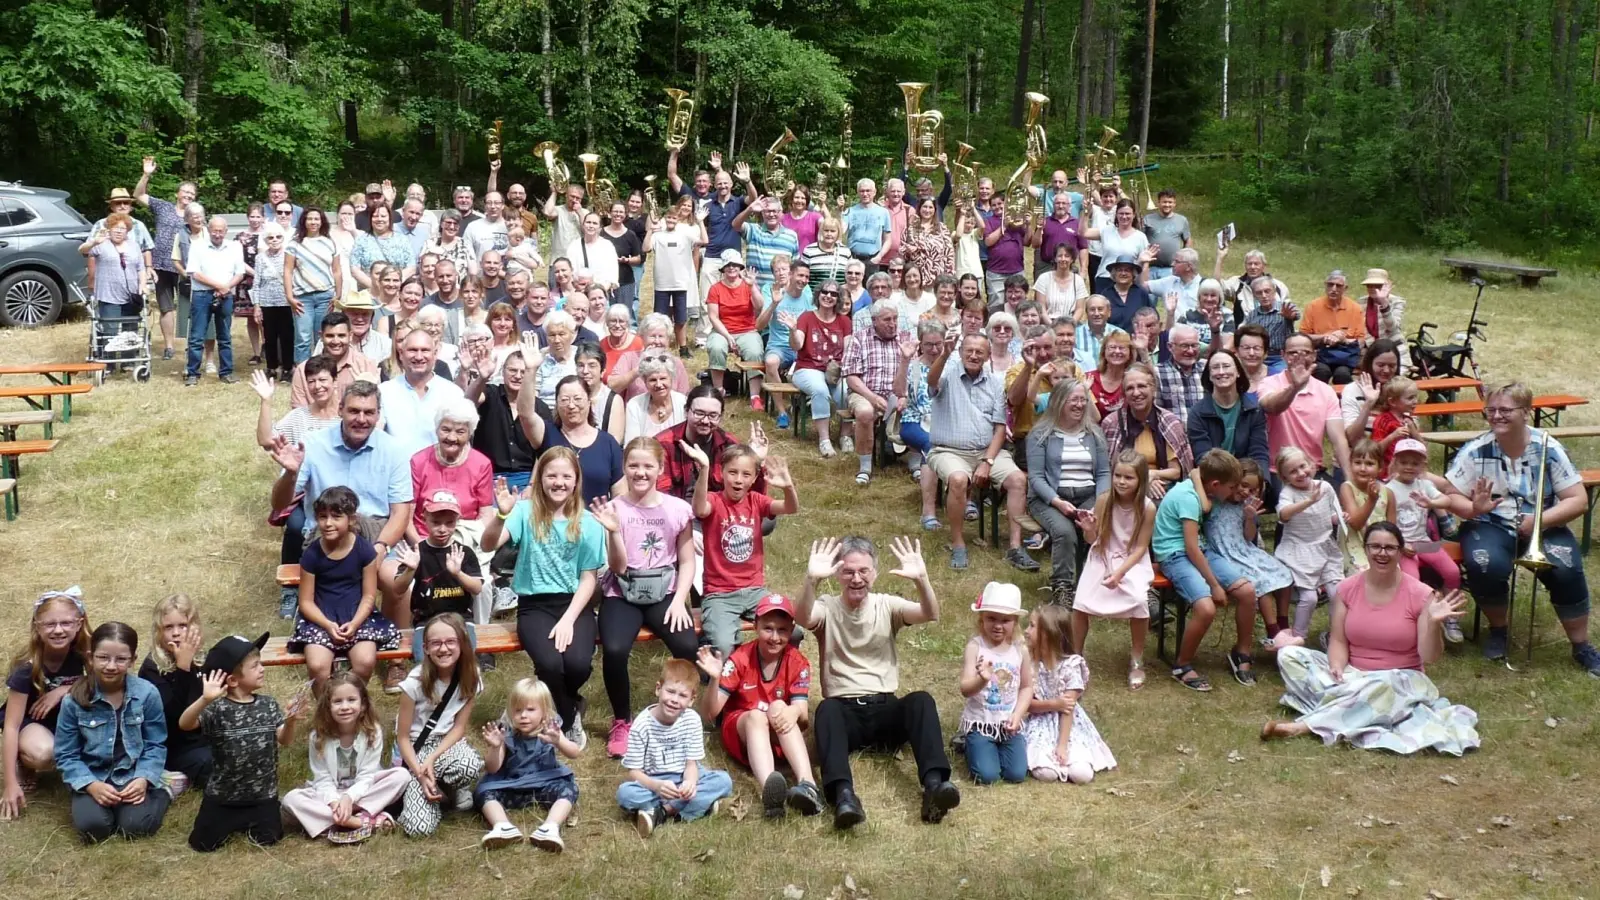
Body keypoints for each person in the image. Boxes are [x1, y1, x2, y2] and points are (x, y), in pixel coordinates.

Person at [1261, 523, 1479, 755]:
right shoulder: (1347, 588)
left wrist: (1434, 623)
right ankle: (1356, 706)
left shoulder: (1421, 594)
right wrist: (1336, 667)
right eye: (1375, 546)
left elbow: (1430, 656)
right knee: (1289, 655)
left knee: (1384, 685)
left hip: (1401, 679)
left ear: (1400, 551)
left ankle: (1304, 726)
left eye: (1389, 548)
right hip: (1354, 675)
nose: (1381, 553)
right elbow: (1338, 640)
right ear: (1365, 549)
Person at [795, 536, 959, 830]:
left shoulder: (887, 605)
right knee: (826, 710)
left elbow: (930, 613)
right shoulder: (827, 606)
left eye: (864, 571)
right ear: (837, 573)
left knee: (921, 700)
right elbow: (803, 617)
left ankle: (934, 787)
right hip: (845, 716)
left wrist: (921, 579)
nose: (856, 579)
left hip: (885, 709)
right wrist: (810, 580)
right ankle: (844, 796)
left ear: (875, 572)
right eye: (848, 571)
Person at [482, 450, 606, 745]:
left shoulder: (588, 522)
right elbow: (488, 545)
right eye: (551, 475)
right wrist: (501, 515)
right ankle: (568, 713)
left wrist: (567, 620)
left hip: (574, 603)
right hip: (534, 605)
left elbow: (589, 578)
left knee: (577, 664)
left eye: (566, 476)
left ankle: (546, 707)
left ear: (576, 481)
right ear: (540, 479)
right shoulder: (524, 511)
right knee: (550, 664)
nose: (559, 482)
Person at [591, 437, 699, 758]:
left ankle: (675, 711)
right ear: (624, 468)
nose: (640, 472)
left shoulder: (678, 509)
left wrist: (680, 599)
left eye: (648, 466)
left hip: (663, 592)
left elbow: (687, 560)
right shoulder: (614, 509)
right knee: (613, 648)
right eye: (633, 465)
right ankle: (622, 720)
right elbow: (618, 566)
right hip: (622, 592)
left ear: (660, 469)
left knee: (687, 645)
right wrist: (612, 530)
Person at [268, 380, 414, 595]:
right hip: (327, 532)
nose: (361, 419)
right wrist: (290, 474)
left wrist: (381, 547)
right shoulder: (312, 444)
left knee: (400, 585)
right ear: (340, 410)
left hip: (376, 531)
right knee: (335, 589)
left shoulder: (394, 450)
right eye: (354, 411)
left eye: (368, 412)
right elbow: (279, 504)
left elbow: (400, 513)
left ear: (378, 415)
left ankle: (394, 629)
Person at [693, 593, 823, 818]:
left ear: (791, 631)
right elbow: (709, 714)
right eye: (768, 628)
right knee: (756, 716)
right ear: (755, 626)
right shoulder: (740, 659)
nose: (774, 637)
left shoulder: (797, 661)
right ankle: (770, 792)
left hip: (777, 732)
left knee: (778, 707)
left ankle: (808, 785)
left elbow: (802, 718)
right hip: (744, 729)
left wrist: (793, 710)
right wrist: (715, 679)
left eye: (782, 630)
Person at [179, 633, 307, 851]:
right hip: (222, 798)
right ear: (232, 680)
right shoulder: (216, 709)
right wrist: (205, 699)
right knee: (202, 844)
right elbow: (185, 724)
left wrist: (291, 721)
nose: (263, 668)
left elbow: (284, 740)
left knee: (269, 840)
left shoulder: (268, 704)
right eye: (255, 665)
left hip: (262, 797)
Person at [927, 332, 1037, 571]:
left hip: (988, 451)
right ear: (960, 352)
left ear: (988, 356)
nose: (974, 356)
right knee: (957, 480)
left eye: (980, 352)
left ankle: (1015, 548)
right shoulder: (947, 372)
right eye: (969, 351)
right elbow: (931, 381)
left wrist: (988, 461)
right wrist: (944, 353)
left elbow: (1000, 427)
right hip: (949, 451)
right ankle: (958, 544)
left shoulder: (996, 382)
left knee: (1018, 479)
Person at [53, 622, 170, 843]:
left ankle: (164, 790)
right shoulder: (73, 701)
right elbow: (66, 754)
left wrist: (143, 778)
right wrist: (91, 785)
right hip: (93, 775)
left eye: (121, 659)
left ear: (133, 660)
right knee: (93, 829)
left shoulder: (147, 694)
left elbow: (156, 743)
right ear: (90, 657)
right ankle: (93, 803)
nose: (111, 666)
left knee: (135, 828)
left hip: (132, 774)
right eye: (103, 657)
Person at [1154, 449, 1260, 691]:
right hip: (1175, 554)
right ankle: (1182, 665)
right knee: (1206, 608)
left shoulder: (1201, 489)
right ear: (1214, 484)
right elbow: (1190, 549)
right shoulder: (1188, 498)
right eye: (1232, 488)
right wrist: (1213, 584)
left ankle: (1241, 653)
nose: (1234, 493)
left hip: (1199, 550)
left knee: (1247, 592)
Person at [687, 442, 799, 656]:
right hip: (719, 594)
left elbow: (790, 508)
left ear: (755, 477)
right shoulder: (714, 500)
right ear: (721, 473)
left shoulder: (756, 501)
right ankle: (724, 680)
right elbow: (699, 508)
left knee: (793, 632)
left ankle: (774, 675)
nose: (738, 480)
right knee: (724, 645)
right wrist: (704, 469)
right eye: (733, 472)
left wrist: (787, 486)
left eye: (746, 474)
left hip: (754, 591)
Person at [293, 486, 400, 692]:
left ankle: (351, 704)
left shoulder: (364, 551)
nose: (328, 523)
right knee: (317, 665)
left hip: (357, 617)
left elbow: (369, 595)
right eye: (322, 517)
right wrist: (327, 624)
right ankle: (326, 714)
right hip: (320, 620)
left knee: (365, 661)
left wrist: (355, 623)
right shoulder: (312, 555)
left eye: (336, 516)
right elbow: (305, 601)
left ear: (351, 519)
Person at [280, 672, 407, 842]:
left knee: (401, 775)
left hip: (362, 793)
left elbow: (367, 775)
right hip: (331, 796)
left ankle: (336, 822)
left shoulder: (372, 731)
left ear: (362, 704)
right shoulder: (318, 737)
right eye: (337, 701)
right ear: (328, 707)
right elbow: (322, 777)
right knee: (292, 799)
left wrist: (349, 798)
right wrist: (334, 802)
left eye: (351, 700)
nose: (345, 707)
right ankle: (358, 822)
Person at [617, 659, 734, 837]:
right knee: (625, 794)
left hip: (683, 776)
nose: (674, 700)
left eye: (682, 695)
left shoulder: (692, 720)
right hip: (654, 780)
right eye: (670, 691)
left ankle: (662, 812)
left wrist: (690, 783)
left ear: (691, 700)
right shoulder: (642, 724)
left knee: (724, 780)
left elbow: (691, 765)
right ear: (658, 689)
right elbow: (634, 772)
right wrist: (656, 786)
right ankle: (699, 806)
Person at [3, 589, 90, 821]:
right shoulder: (27, 667)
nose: (59, 630)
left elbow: (106, 679)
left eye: (66, 623)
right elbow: (11, 726)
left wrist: (64, 689)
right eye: (50, 624)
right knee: (46, 753)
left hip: (70, 719)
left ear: (79, 623)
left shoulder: (86, 653)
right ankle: (26, 762)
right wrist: (9, 783)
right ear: (37, 626)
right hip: (32, 722)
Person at [394, 614, 485, 836]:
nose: (443, 649)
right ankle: (434, 795)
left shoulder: (471, 678)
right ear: (425, 648)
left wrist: (432, 759)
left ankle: (449, 788)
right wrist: (420, 771)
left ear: (462, 644)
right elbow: (402, 737)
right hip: (415, 749)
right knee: (419, 829)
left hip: (445, 744)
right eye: (436, 643)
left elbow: (458, 728)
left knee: (470, 764)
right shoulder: (414, 683)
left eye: (450, 642)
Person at [1072, 451, 1157, 685]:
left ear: (1141, 480)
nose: (1121, 481)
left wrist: (1120, 573)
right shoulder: (1103, 500)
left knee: (1139, 602)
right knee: (1080, 604)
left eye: (1128, 478)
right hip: (1102, 555)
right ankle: (1076, 658)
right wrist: (1088, 529)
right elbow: (1093, 540)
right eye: (1117, 475)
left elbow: (1141, 547)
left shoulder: (1147, 508)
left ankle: (1137, 660)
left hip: (1131, 561)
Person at [1025, 381, 1111, 607]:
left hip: (1088, 495)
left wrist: (1099, 504)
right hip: (1049, 498)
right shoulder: (1040, 434)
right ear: (1060, 401)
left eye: (1083, 399)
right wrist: (1058, 502)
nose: (1080, 405)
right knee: (1066, 532)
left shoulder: (1095, 433)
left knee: (1094, 526)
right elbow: (1035, 478)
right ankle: (1062, 587)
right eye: (1074, 400)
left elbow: (1104, 472)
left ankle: (1092, 583)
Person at [475, 677, 582, 851]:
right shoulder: (506, 732)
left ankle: (550, 827)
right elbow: (492, 767)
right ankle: (502, 826)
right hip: (510, 784)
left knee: (570, 789)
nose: (523, 715)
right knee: (483, 791)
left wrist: (558, 741)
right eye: (517, 711)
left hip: (544, 783)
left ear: (545, 712)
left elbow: (574, 752)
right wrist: (495, 747)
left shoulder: (551, 729)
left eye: (530, 709)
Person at [1202, 459, 1297, 647]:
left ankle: (1284, 625)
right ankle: (1273, 631)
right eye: (1243, 485)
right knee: (1261, 581)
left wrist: (1250, 518)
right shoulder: (1215, 501)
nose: (1246, 492)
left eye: (1252, 490)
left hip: (1244, 550)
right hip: (1224, 554)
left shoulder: (1245, 506)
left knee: (1284, 573)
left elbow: (1248, 536)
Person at [1022, 605, 1117, 782]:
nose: (1026, 631)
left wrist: (1062, 746)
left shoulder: (1071, 665)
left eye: (1032, 626)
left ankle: (1071, 758)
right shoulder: (1029, 663)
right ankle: (1048, 762)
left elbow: (1068, 708)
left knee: (1082, 775)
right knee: (1046, 774)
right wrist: (1053, 704)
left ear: (1047, 634)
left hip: (1069, 727)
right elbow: (1027, 705)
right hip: (1040, 722)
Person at [1387, 439, 1465, 645]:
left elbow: (1447, 501)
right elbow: (1386, 523)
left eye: (1415, 463)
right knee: (1411, 579)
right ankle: (1413, 622)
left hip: (1423, 541)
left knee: (1452, 572)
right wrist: (1400, 545)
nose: (1409, 467)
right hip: (1402, 546)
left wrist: (1431, 503)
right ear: (1395, 462)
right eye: (1404, 462)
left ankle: (1451, 617)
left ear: (1423, 466)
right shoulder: (1389, 489)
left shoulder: (1425, 485)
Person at [957, 583, 1035, 786]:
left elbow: (1026, 687)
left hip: (1009, 724)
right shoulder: (975, 647)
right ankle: (969, 743)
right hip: (981, 723)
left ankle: (995, 749)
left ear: (1015, 622)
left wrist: (1018, 715)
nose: (998, 625)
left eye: (1005, 620)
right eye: (991, 618)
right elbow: (965, 689)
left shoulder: (1020, 650)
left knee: (1016, 774)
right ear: (981, 618)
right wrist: (982, 679)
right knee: (987, 776)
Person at [138, 595, 211, 794]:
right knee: (209, 765)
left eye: (183, 625)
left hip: (205, 735)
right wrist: (183, 668)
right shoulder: (152, 668)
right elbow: (174, 715)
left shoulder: (204, 659)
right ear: (159, 631)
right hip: (175, 743)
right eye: (169, 627)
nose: (176, 633)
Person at [1257, 334, 1354, 482]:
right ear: (1283, 355)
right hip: (1279, 472)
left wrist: (1350, 480)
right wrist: (1294, 387)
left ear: (1315, 355)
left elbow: (1338, 439)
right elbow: (1272, 407)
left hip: (1312, 470)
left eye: (1306, 353)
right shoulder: (1269, 383)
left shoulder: (1326, 391)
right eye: (1293, 353)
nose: (1299, 357)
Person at [519, 372, 625, 505]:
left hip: (595, 522)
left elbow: (620, 494)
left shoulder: (608, 443)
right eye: (564, 400)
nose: (571, 405)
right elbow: (525, 414)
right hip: (551, 521)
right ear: (556, 404)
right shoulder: (546, 434)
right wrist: (530, 369)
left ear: (589, 400)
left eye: (577, 399)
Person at [1275, 446, 1347, 640]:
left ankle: (1336, 635)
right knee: (1309, 598)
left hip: (1325, 548)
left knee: (1337, 593)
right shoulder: (1288, 493)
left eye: (1302, 466)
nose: (1300, 473)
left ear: (1312, 465)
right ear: (1285, 478)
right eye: (1293, 471)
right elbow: (1283, 514)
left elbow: (1330, 515)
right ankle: (1297, 638)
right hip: (1300, 551)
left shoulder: (1325, 487)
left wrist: (1339, 518)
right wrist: (1309, 501)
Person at [132, 156, 194, 359]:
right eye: (185, 192)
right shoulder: (163, 207)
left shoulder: (196, 214)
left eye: (192, 194)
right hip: (161, 265)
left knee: (190, 308)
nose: (188, 196)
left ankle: (190, 345)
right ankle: (169, 347)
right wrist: (146, 174)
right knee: (166, 308)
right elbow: (138, 195)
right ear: (177, 194)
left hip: (187, 268)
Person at [1102, 362, 1192, 500]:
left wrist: (1152, 475)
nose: (1136, 393)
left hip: (1163, 487)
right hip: (1123, 488)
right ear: (1124, 393)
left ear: (1153, 388)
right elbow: (1109, 471)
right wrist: (1143, 483)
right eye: (1130, 388)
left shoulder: (1170, 422)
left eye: (1142, 386)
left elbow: (1176, 471)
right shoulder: (1112, 423)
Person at [788, 280, 853, 457]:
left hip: (835, 370)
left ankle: (845, 435)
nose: (828, 296)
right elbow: (797, 345)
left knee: (848, 392)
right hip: (807, 368)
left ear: (838, 299)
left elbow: (848, 350)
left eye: (834, 294)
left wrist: (842, 369)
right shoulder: (806, 317)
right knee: (820, 390)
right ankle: (824, 440)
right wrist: (793, 330)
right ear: (818, 294)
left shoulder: (845, 321)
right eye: (825, 292)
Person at [380, 328, 468, 455]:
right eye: (413, 350)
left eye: (425, 350)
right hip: (397, 472)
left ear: (435, 353)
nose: (419, 356)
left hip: (440, 471)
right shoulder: (384, 392)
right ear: (401, 353)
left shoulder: (453, 393)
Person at [841, 300, 902, 483]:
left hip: (896, 394)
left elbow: (913, 373)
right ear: (874, 320)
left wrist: (903, 396)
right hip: (864, 393)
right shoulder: (859, 338)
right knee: (865, 412)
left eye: (895, 319)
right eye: (887, 320)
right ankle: (865, 467)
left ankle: (915, 465)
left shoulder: (905, 339)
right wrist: (872, 397)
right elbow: (851, 377)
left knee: (913, 408)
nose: (892, 324)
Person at [183, 215, 247, 387]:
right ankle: (192, 373)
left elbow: (240, 273)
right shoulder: (197, 246)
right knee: (197, 336)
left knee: (224, 336)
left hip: (225, 296)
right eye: (214, 230)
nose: (217, 234)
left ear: (225, 231)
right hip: (202, 295)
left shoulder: (235, 247)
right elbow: (194, 273)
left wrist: (226, 288)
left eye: (220, 231)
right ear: (208, 230)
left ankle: (226, 372)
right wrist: (220, 285)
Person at [84, 212, 152, 372]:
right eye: (115, 227)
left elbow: (140, 268)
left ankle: (128, 361)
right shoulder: (101, 244)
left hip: (131, 295)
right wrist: (94, 241)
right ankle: (109, 363)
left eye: (122, 228)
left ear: (127, 230)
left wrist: (143, 285)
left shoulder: (134, 246)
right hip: (108, 294)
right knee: (110, 330)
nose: (119, 231)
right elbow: (82, 250)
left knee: (131, 329)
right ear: (109, 228)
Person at [1187, 348, 1271, 474]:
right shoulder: (1197, 413)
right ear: (1209, 376)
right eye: (1215, 367)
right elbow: (1203, 458)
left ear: (1238, 372)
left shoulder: (1254, 410)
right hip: (1214, 478)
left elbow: (1258, 453)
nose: (1221, 372)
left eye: (1226, 366)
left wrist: (1257, 483)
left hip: (1247, 478)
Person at [645, 195, 707, 357]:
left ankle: (683, 348)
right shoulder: (658, 234)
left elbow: (704, 241)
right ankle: (658, 347)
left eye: (674, 218)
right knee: (660, 319)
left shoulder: (686, 234)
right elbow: (645, 248)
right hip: (662, 284)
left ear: (677, 218)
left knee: (681, 318)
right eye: (669, 218)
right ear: (666, 219)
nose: (671, 220)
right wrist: (651, 229)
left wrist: (700, 221)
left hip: (680, 283)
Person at [705, 250, 766, 408]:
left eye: (735, 265)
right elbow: (713, 317)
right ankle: (719, 390)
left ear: (740, 267)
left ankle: (755, 396)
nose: (732, 268)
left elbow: (760, 306)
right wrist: (728, 337)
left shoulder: (748, 285)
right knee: (716, 347)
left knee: (755, 351)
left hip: (747, 329)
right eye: (728, 265)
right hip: (723, 329)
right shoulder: (715, 289)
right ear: (723, 268)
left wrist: (752, 286)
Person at [760, 259, 815, 429]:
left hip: (801, 346)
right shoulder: (777, 294)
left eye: (807, 277)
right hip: (779, 346)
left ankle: (807, 406)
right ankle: (782, 411)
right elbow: (759, 325)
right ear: (790, 274)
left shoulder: (807, 294)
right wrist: (774, 304)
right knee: (771, 363)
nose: (803, 280)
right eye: (800, 275)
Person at [284, 207, 343, 364]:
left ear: (322, 221)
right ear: (304, 221)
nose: (313, 222)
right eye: (310, 219)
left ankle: (323, 369)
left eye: (316, 219)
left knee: (322, 336)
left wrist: (338, 294)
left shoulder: (330, 243)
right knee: (303, 337)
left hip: (325, 297)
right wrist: (290, 297)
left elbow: (337, 270)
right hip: (303, 298)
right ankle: (302, 372)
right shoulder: (294, 244)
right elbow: (288, 271)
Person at [1300, 270, 1368, 384]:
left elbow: (1360, 341)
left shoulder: (1355, 308)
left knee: (1342, 374)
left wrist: (1343, 340)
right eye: (1330, 284)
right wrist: (1324, 337)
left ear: (1345, 288)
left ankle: (1343, 401)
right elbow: (1303, 337)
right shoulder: (1313, 306)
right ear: (1325, 285)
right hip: (1321, 354)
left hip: (1345, 356)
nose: (1334, 289)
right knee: (1321, 372)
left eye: (1339, 286)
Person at [1340, 438, 1396, 571]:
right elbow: (1356, 523)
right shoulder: (1347, 488)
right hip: (1355, 547)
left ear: (1380, 468)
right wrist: (1371, 500)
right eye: (1358, 463)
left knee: (1392, 574)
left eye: (1369, 464)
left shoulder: (1388, 493)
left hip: (1381, 547)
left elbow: (1392, 529)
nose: (1363, 468)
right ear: (1351, 464)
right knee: (1366, 574)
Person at [1341, 340, 1405, 444]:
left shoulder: (1402, 390)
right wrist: (1368, 404)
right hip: (1361, 456)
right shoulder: (1352, 390)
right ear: (1369, 364)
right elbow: (1351, 438)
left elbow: (1409, 434)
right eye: (1380, 365)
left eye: (1392, 366)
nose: (1386, 370)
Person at [732, 195, 799, 289]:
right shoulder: (753, 230)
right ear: (762, 213)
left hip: (783, 292)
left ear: (781, 213)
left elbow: (795, 266)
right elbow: (735, 225)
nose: (771, 214)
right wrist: (749, 209)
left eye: (774, 211)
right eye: (768, 211)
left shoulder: (791, 235)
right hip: (756, 291)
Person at [1214, 245, 1290, 321]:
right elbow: (1216, 287)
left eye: (1256, 264)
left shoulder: (1278, 286)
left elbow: (1289, 311)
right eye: (1249, 264)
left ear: (1264, 266)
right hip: (1245, 329)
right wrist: (1220, 258)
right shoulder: (1237, 283)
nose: (1252, 267)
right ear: (1245, 266)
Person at [982, 194, 1034, 302]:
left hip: (1017, 270)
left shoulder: (1017, 219)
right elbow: (988, 241)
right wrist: (1004, 226)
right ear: (991, 207)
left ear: (1006, 204)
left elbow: (1027, 242)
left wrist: (1029, 225)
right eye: (994, 205)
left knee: (1019, 303)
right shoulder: (988, 221)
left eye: (1000, 204)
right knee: (997, 304)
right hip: (996, 272)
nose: (997, 207)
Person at [1240, 277, 1300, 372]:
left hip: (1280, 356)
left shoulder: (1285, 308)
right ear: (1254, 296)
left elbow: (1295, 314)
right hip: (1258, 355)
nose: (1264, 296)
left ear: (1274, 291)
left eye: (1267, 291)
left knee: (1278, 374)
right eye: (1259, 293)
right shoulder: (1252, 316)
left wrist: (1290, 316)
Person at [622, 354, 685, 443]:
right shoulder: (635, 405)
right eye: (652, 380)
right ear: (645, 382)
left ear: (671, 379)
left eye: (663, 378)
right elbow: (631, 443)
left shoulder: (683, 402)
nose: (658, 384)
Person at [351, 205, 416, 288]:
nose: (379, 219)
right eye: (375, 216)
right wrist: (375, 287)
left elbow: (411, 267)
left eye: (383, 216)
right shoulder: (361, 240)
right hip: (370, 292)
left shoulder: (402, 240)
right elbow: (354, 269)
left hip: (396, 291)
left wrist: (394, 283)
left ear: (389, 218)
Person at [1371, 376, 1425, 475]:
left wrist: (1414, 432)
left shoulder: (1409, 420)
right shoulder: (1383, 420)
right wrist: (1393, 436)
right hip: (1389, 473)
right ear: (1392, 402)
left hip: (1411, 471)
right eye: (1410, 398)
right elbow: (1375, 450)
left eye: (1415, 397)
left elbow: (1423, 448)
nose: (1415, 401)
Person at [1156, 324, 1206, 425]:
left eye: (1194, 345)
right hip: (1173, 437)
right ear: (1170, 347)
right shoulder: (1158, 372)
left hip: (1205, 436)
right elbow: (1156, 412)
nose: (1191, 351)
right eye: (1185, 346)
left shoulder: (1206, 369)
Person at [841, 178, 892, 276]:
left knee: (872, 289)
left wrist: (879, 256)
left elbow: (888, 239)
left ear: (874, 192)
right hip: (852, 258)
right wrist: (840, 210)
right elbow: (840, 231)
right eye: (862, 191)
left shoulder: (883, 212)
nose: (865, 194)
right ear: (858, 192)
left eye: (868, 191)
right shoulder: (850, 211)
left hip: (872, 259)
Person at [1093, 200, 1151, 283]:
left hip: (1128, 280)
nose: (1124, 217)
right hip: (1105, 278)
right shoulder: (1107, 230)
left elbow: (1144, 264)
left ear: (1134, 215)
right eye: (1121, 213)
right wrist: (1086, 213)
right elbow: (1083, 233)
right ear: (1116, 214)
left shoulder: (1141, 237)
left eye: (1127, 214)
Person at [1141, 189, 1191, 280]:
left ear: (1174, 204)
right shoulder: (1147, 219)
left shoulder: (1182, 220)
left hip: (1171, 269)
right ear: (1158, 203)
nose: (1167, 205)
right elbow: (1139, 239)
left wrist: (1184, 259)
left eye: (1170, 202)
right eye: (1164, 202)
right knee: (1148, 294)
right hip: (1150, 267)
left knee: (1170, 294)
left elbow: (1187, 240)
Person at [1033, 241, 1088, 321]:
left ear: (1072, 259)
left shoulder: (1078, 281)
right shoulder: (1043, 278)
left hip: (1070, 324)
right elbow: (1041, 308)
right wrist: (1052, 326)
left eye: (1067, 256)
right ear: (1055, 258)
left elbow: (1079, 309)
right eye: (1060, 256)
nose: (1063, 259)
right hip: (1048, 324)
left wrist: (1069, 326)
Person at [903, 196, 954, 278]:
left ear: (935, 210)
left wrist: (950, 274)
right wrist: (909, 251)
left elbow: (949, 253)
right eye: (925, 207)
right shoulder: (910, 228)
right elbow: (902, 250)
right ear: (919, 208)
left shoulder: (942, 228)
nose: (927, 210)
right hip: (916, 277)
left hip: (938, 277)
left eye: (930, 207)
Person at [1074, 294, 1126, 375]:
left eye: (1100, 309)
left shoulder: (1121, 334)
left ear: (1109, 312)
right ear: (1086, 313)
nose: (1096, 313)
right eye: (1092, 309)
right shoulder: (1075, 335)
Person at [1360, 267, 1407, 354]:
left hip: (1394, 349)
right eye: (1369, 285)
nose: (1373, 288)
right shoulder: (1361, 302)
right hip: (1370, 350)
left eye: (1378, 285)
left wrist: (1384, 303)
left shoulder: (1397, 301)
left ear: (1386, 286)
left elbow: (1393, 328)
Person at [801, 217, 853, 291]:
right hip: (813, 298)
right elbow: (802, 275)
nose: (829, 234)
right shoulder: (809, 250)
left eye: (832, 231)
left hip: (838, 297)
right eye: (826, 230)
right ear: (821, 231)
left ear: (838, 232)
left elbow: (849, 276)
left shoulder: (845, 252)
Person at [780, 184, 824, 252]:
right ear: (792, 199)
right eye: (797, 197)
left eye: (803, 198)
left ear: (807, 201)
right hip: (789, 260)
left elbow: (830, 226)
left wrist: (823, 204)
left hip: (809, 260)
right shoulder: (783, 218)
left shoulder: (815, 217)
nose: (799, 201)